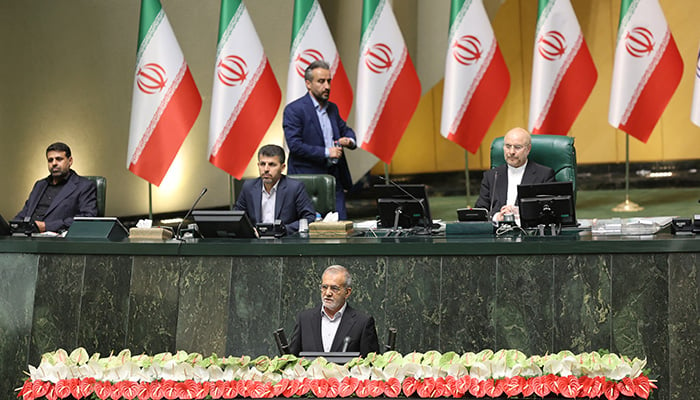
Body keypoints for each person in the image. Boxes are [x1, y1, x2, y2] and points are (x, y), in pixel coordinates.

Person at [283, 60, 357, 220]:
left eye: (329, 81)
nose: (327, 86)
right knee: (309, 233)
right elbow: (295, 146)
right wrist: (327, 152)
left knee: (340, 231)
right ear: (308, 84)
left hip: (334, 181)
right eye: (321, 81)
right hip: (307, 182)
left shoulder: (333, 109)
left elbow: (347, 131)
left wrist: (349, 140)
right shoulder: (294, 110)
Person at [289, 265, 380, 357]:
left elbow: (371, 364)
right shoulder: (304, 319)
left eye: (334, 288)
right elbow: (291, 360)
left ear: (347, 292)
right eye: (324, 287)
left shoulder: (362, 323)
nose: (328, 293)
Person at [474, 127, 555, 221]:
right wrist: (497, 217)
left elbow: (549, 211)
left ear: (528, 149)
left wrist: (518, 212)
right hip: (497, 231)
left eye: (517, 147)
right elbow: (480, 212)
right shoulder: (491, 176)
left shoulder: (544, 175)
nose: (511, 152)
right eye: (508, 146)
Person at [14, 142, 97, 233]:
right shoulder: (39, 185)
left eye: (59, 159)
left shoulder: (84, 186)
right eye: (50, 160)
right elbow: (24, 213)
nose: (54, 163)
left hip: (57, 240)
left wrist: (47, 226)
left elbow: (87, 218)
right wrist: (13, 226)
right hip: (27, 237)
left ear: (70, 161)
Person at [234, 144, 315, 235]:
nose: (266, 169)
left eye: (272, 165)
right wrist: (249, 230)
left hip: (284, 241)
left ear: (283, 167)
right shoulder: (249, 187)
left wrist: (283, 229)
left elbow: (309, 218)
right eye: (262, 164)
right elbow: (237, 217)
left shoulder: (295, 188)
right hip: (256, 242)